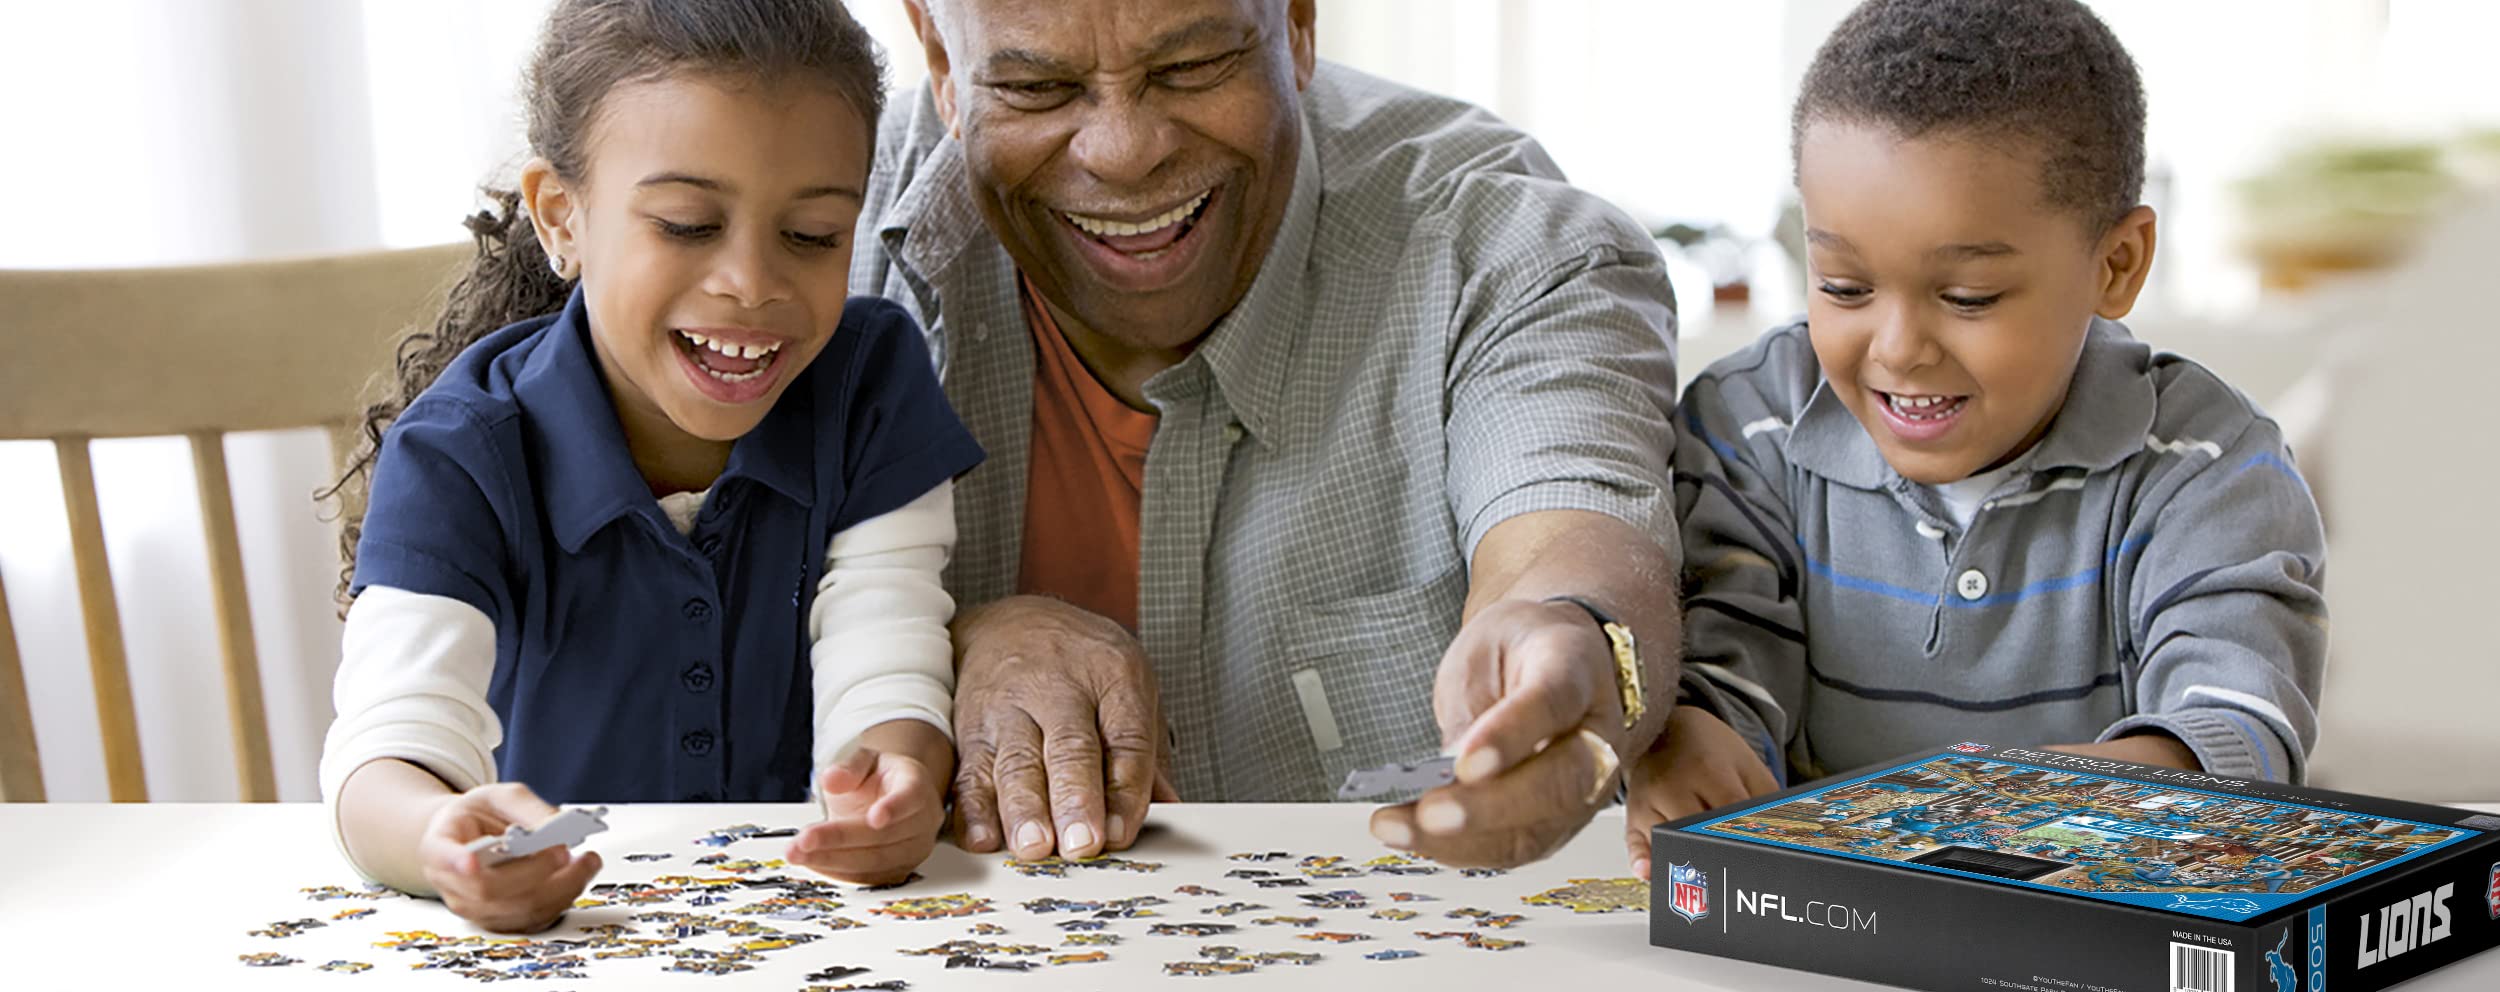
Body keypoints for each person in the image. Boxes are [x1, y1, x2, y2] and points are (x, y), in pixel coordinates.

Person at [856, 0, 1683, 869]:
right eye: (1035, 86)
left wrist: (1577, 644)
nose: (1125, 151)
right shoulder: (796, 224)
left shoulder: (1503, 244)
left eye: (1192, 67)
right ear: (941, 61)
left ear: (1296, 23)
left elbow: (1568, 539)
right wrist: (937, 642)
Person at [316, 0, 983, 932]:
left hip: (813, 929)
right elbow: (386, 750)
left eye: (814, 235)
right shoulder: (460, 451)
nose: (751, 281)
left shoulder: (871, 384)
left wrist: (894, 778)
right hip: (565, 939)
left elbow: (886, 648)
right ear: (561, 217)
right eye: (684, 223)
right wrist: (438, 837)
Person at [1624, 0, 2327, 879]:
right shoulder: (1748, 425)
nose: (1898, 348)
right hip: (1818, 923)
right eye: (1843, 286)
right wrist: (1691, 734)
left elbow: (2233, 725)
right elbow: (1728, 653)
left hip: (2094, 918)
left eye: (1968, 298)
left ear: (2116, 265)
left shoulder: (2207, 465)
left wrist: (2008, 813)